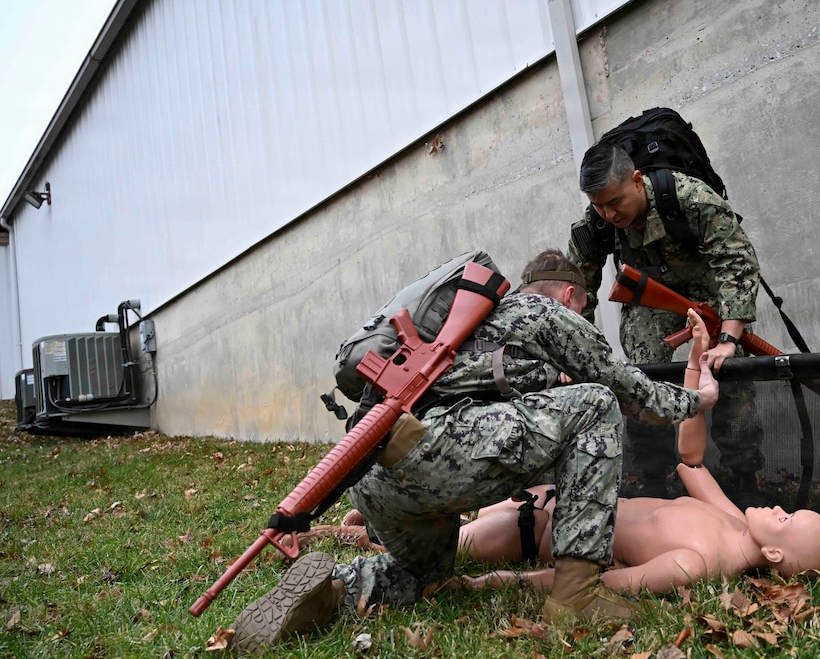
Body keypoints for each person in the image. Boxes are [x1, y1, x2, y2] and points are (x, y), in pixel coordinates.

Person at [228, 249, 718, 655]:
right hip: (438, 454)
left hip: (374, 477)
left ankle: (335, 589)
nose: (584, 318)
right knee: (597, 404)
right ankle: (576, 595)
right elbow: (630, 390)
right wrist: (698, 399)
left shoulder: (467, 333)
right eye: (585, 309)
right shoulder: (546, 315)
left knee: (422, 576)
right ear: (571, 296)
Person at [332, 312, 820, 593]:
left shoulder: (702, 562)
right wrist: (693, 369)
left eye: (787, 519)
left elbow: (605, 583)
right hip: (557, 492)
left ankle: (352, 549)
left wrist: (491, 585)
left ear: (773, 553)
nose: (777, 506)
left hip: (542, 532)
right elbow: (692, 463)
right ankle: (367, 525)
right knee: (458, 508)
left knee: (456, 546)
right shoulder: (729, 521)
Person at [567, 140, 766, 496]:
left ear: (637, 180)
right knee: (640, 377)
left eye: (615, 202)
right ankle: (653, 480)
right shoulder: (594, 227)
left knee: (726, 373)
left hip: (710, 296)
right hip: (651, 301)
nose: (609, 215)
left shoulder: (691, 199)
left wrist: (730, 340)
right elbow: (576, 293)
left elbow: (737, 263)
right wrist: (572, 355)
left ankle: (743, 475)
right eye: (598, 206)